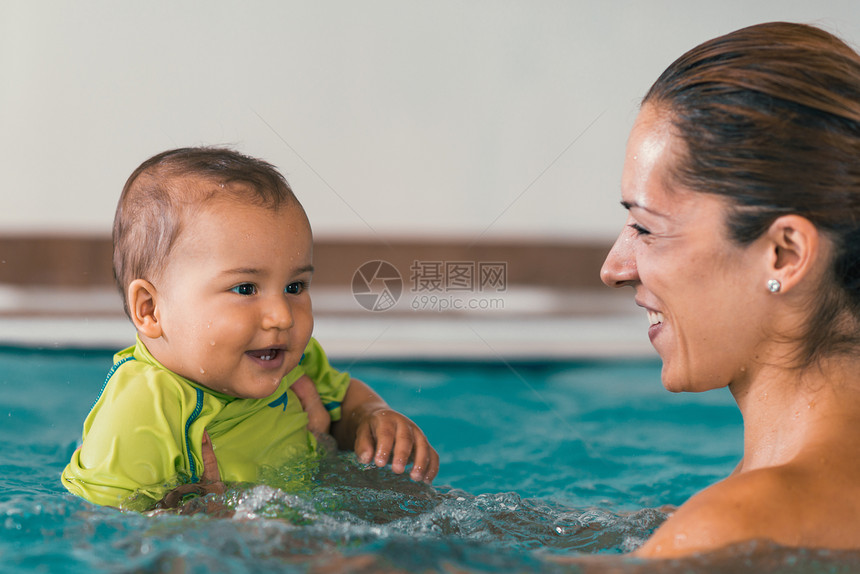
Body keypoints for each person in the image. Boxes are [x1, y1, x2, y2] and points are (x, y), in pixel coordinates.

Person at [601, 21, 860, 558]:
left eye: (646, 229)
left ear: (783, 254)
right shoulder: (737, 504)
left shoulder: (733, 527)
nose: (615, 267)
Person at [61, 147, 439, 511]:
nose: (282, 317)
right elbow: (100, 530)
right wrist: (188, 521)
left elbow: (342, 400)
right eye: (245, 289)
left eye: (295, 287)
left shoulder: (290, 359)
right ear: (151, 309)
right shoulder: (146, 404)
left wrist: (371, 416)